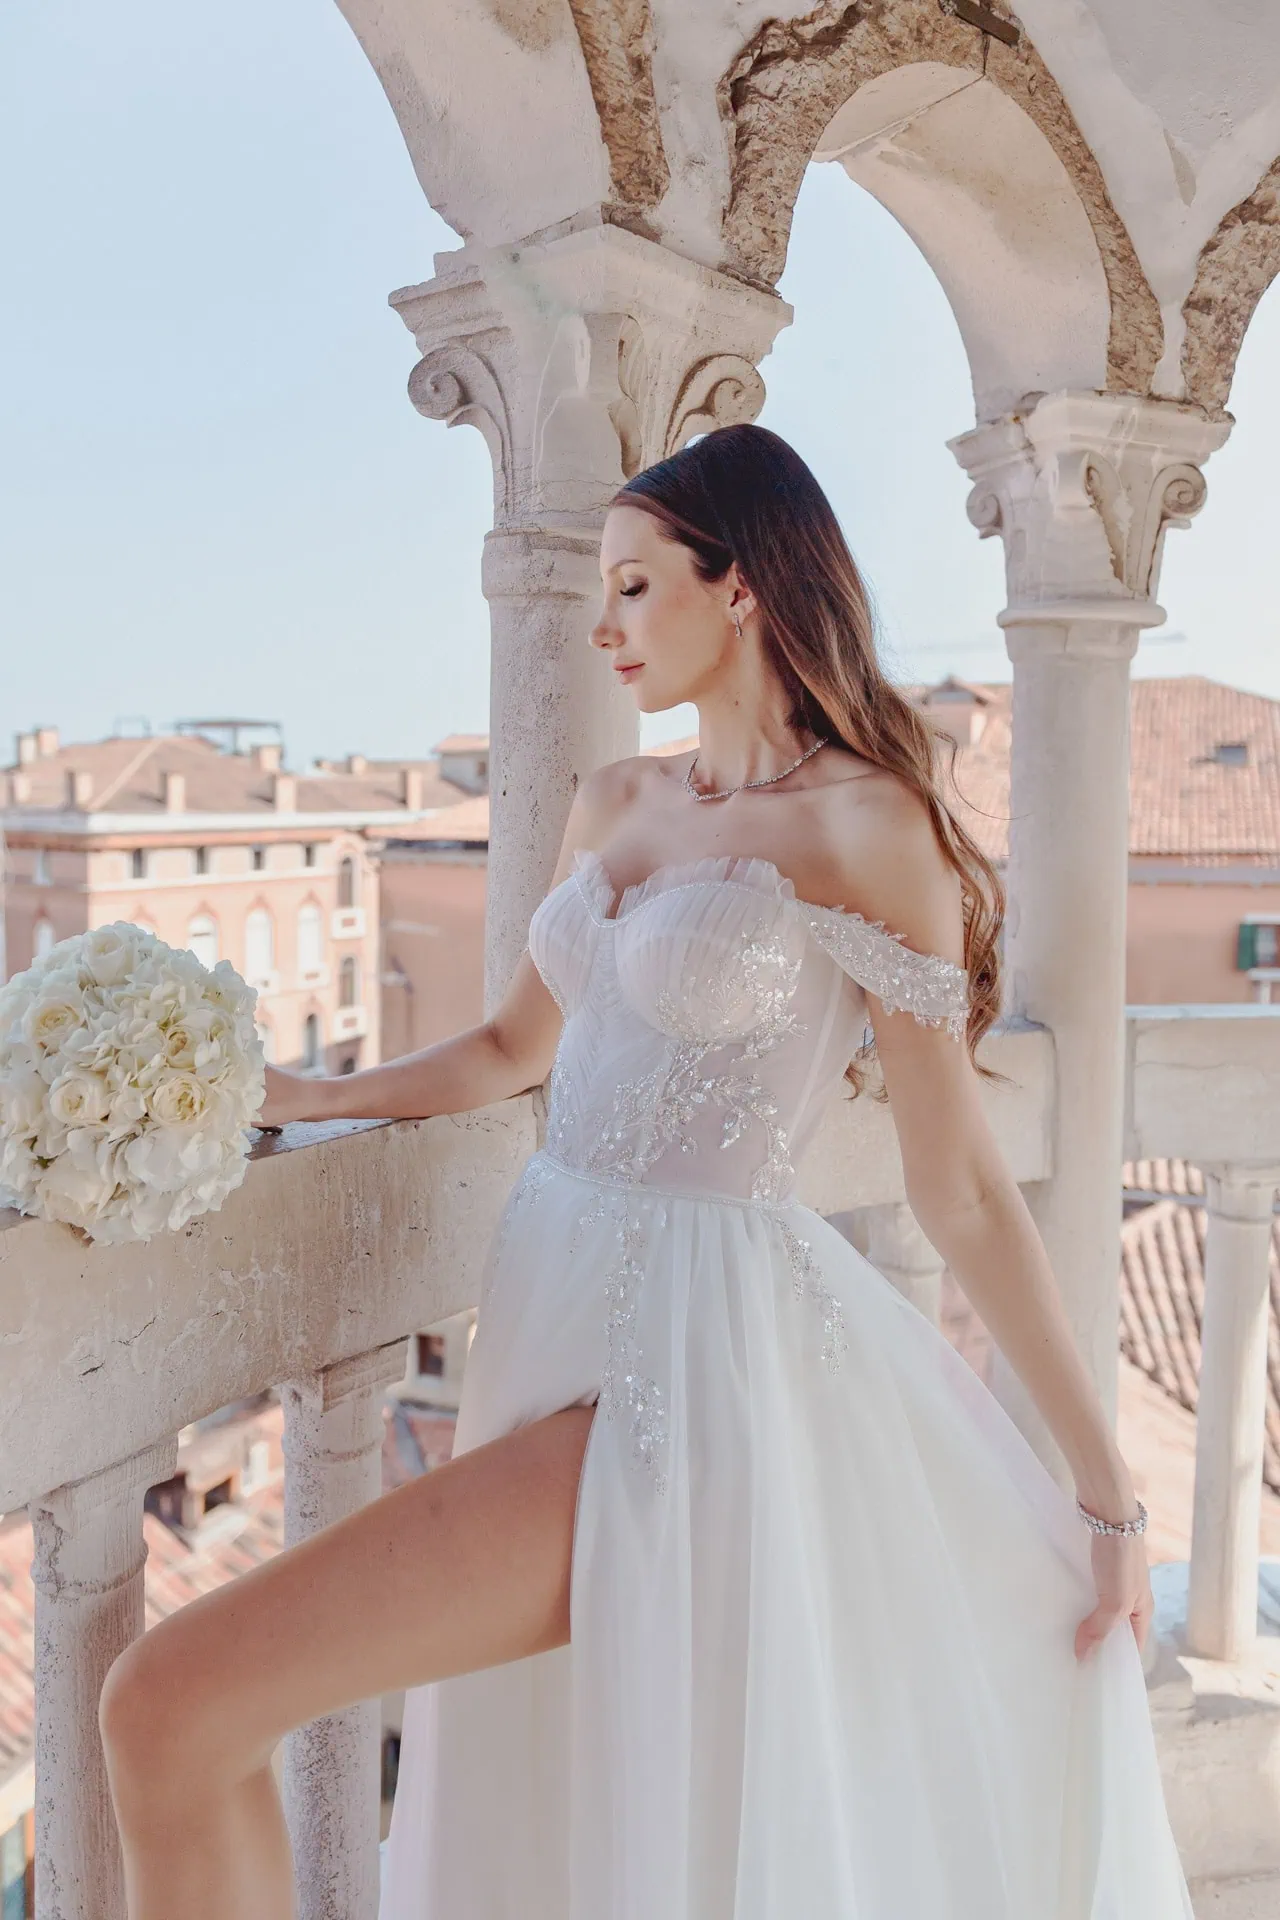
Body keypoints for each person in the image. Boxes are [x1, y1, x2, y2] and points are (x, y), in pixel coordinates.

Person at [99, 423, 1193, 1919]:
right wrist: (289, 1093)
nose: (603, 626)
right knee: (530, 1793)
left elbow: (963, 1191)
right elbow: (503, 1052)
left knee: (175, 1698)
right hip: (548, 1306)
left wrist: (1109, 1492)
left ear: (738, 587)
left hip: (685, 1378)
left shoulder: (869, 830)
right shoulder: (617, 804)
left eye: (631, 586)